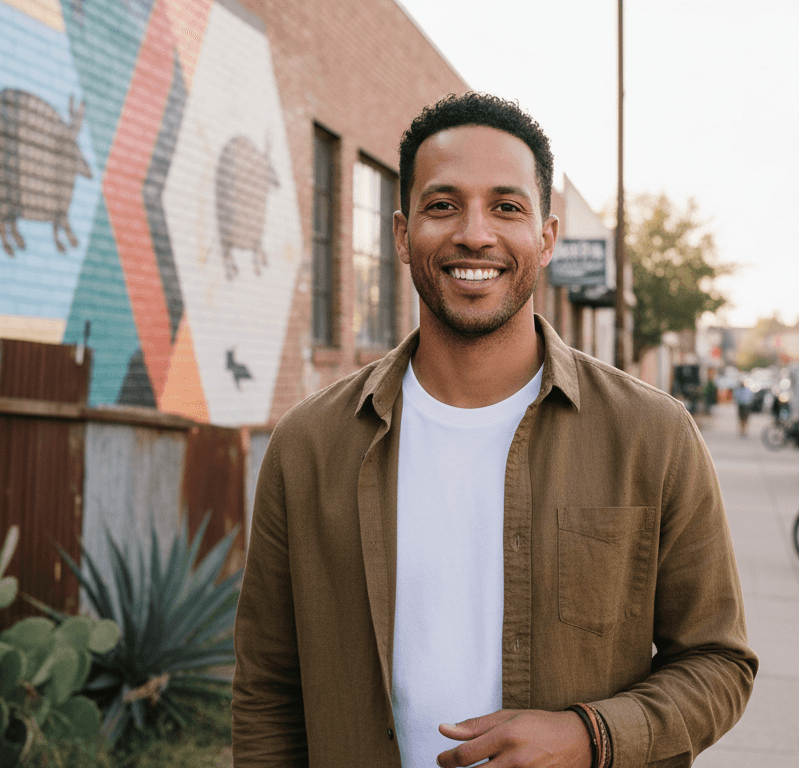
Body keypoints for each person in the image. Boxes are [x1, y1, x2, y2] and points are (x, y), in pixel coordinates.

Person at [232, 92, 756, 768]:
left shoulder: (650, 436)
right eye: (443, 205)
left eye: (506, 207)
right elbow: (268, 692)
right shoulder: (307, 446)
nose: (474, 233)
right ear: (400, 233)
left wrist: (589, 736)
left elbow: (718, 663)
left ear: (546, 237)